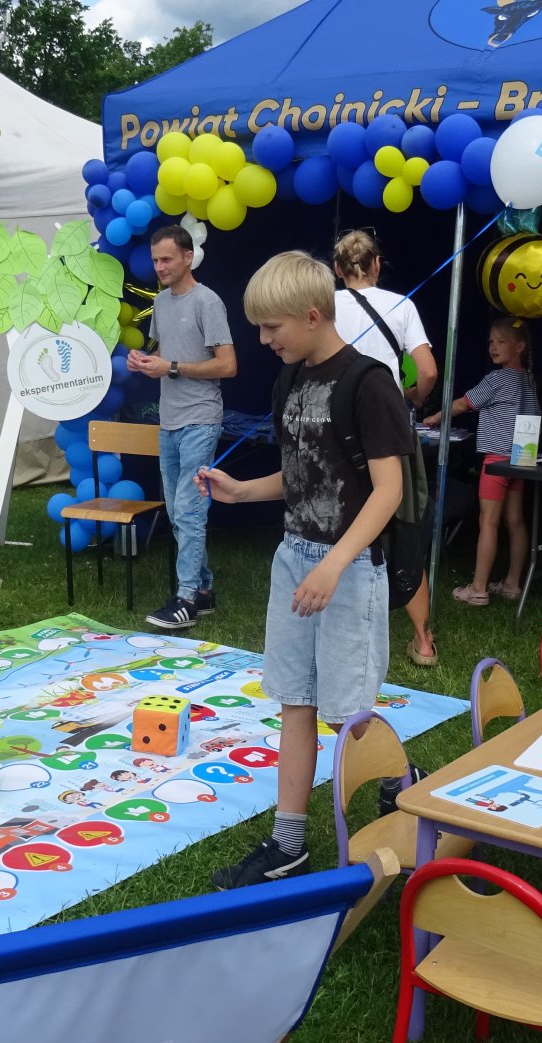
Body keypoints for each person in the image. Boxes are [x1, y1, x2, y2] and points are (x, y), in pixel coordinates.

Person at [196, 251, 407, 888]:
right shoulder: (288, 380)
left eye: (272, 328)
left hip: (351, 566)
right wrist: (243, 491)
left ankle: (404, 781)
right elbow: (303, 475)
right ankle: (288, 842)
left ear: (313, 316)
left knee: (346, 714)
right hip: (295, 559)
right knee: (295, 701)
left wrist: (335, 565)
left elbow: (388, 492)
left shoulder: (370, 384)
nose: (264, 341)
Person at [332, 228, 441, 667]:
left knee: (340, 528)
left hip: (338, 430)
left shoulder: (324, 306)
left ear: (337, 269)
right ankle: (423, 641)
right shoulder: (402, 304)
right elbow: (428, 371)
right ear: (376, 264)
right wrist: (411, 398)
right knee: (404, 529)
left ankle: (343, 633)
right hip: (390, 430)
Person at [127, 224, 237, 630]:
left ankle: (186, 598)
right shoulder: (160, 302)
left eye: (167, 259)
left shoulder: (208, 301)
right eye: (156, 260)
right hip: (169, 419)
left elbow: (228, 365)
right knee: (177, 512)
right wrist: (145, 361)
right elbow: (163, 353)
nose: (159, 267)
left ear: (188, 258)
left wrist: (170, 367)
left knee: (189, 511)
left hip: (200, 418)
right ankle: (204, 589)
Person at [425, 317, 540, 606]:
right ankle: (512, 584)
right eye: (490, 342)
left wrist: (437, 416)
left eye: (501, 341)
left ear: (520, 346)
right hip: (520, 458)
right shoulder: (528, 380)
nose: (493, 347)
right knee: (515, 521)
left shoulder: (497, 379)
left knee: (488, 521)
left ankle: (478, 589)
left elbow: (464, 403)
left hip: (496, 461)